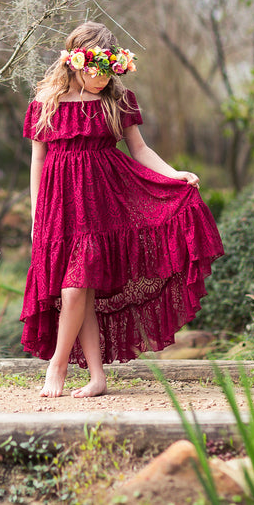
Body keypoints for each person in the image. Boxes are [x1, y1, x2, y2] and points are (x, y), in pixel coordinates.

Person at [21, 21, 225, 398]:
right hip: (59, 207)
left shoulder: (117, 101)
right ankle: (97, 377)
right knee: (80, 293)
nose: (101, 78)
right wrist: (37, 215)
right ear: (74, 62)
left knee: (76, 287)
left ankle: (58, 366)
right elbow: (38, 159)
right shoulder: (44, 105)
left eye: (108, 71)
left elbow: (140, 150)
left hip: (103, 206)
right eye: (94, 71)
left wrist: (173, 174)